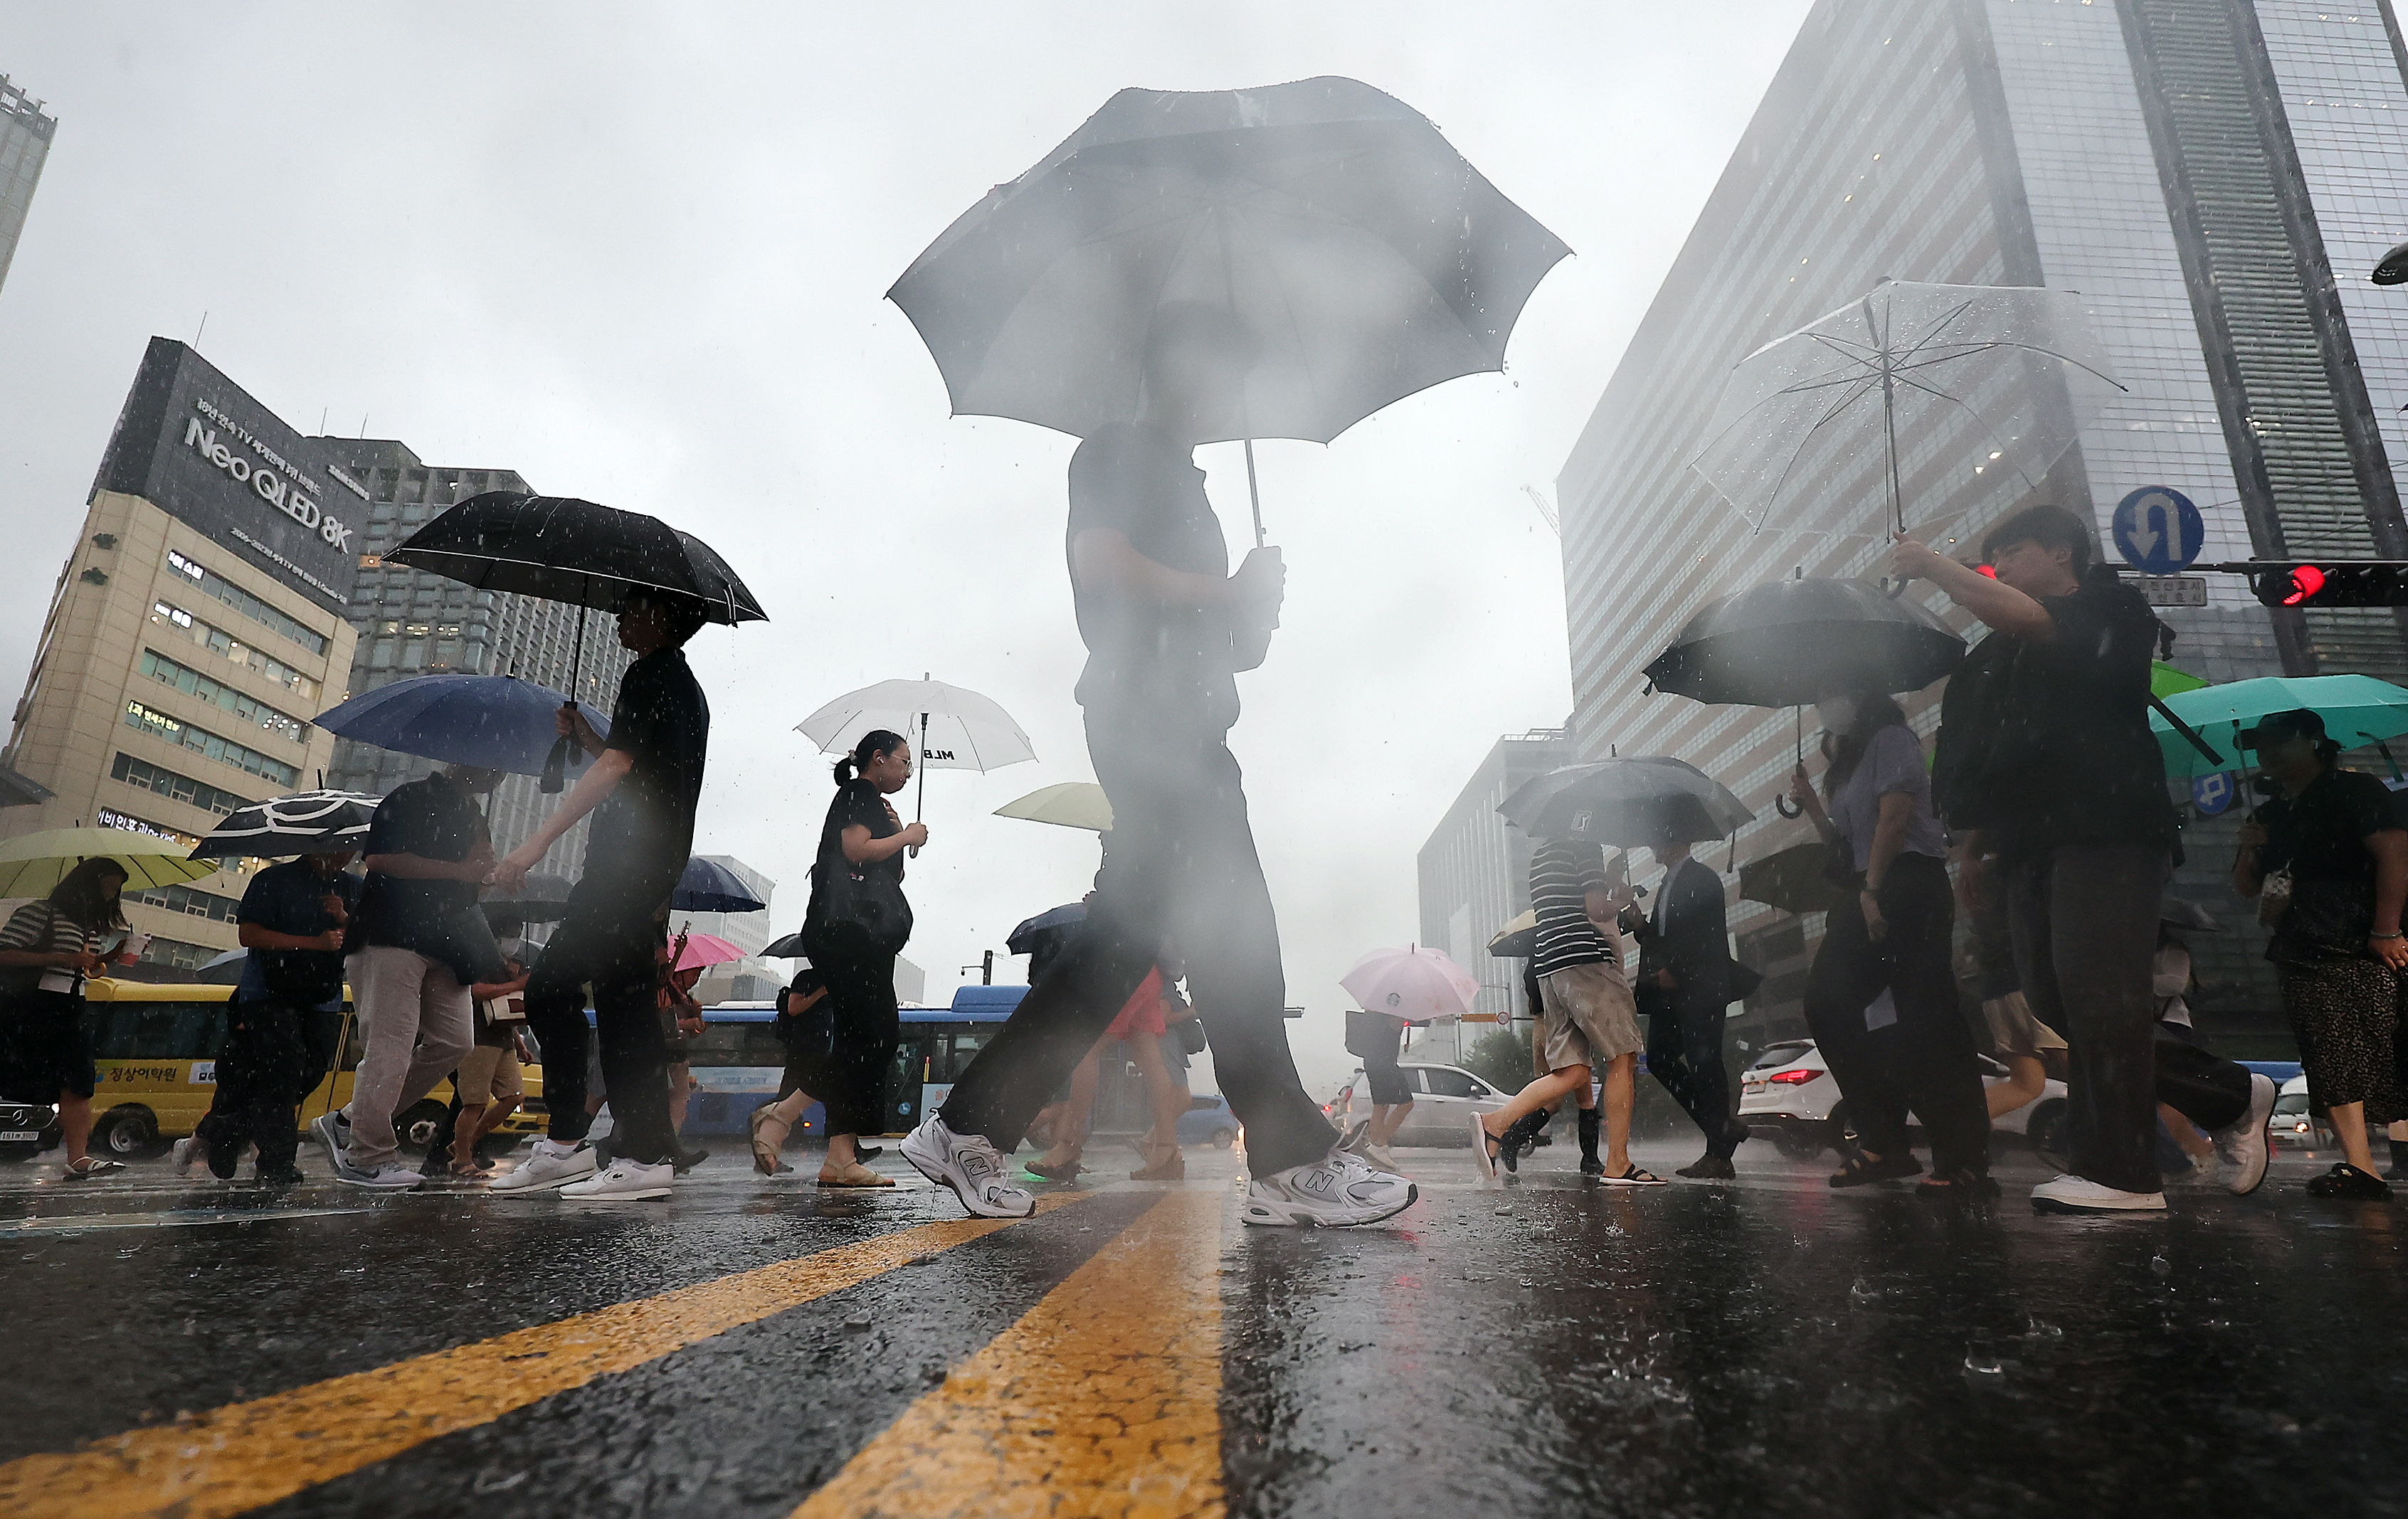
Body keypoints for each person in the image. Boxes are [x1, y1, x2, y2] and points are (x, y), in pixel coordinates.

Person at [902, 303, 1412, 1228]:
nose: (1230, 386)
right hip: (1148, 719)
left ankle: (968, 1127)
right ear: (1170, 364)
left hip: (1189, 718)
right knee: (1236, 928)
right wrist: (1225, 589)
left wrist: (1256, 605)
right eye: (1219, 362)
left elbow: (1234, 645)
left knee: (1123, 942)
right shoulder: (1116, 451)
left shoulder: (1193, 483)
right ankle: (1289, 1159)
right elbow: (1102, 564)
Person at [1899, 504, 2274, 1214]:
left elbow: (2032, 621)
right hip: (2026, 841)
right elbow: (1990, 752)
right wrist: (1975, 845)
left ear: (2061, 552)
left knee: (2099, 991)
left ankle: (2123, 1172)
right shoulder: (2001, 651)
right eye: (1994, 559)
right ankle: (2228, 1092)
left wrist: (1932, 567)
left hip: (2108, 825)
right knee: (2053, 997)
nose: (1999, 568)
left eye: (2010, 553)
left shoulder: (2113, 606)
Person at [492, 590, 712, 1201]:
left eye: (633, 607)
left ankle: (574, 1143)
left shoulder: (647, 675)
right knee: (625, 1010)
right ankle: (633, 1154)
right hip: (647, 872)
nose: (620, 616)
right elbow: (642, 767)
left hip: (621, 871)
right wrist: (590, 736)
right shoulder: (685, 687)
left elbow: (618, 768)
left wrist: (534, 845)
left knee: (552, 988)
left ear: (661, 617)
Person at [1787, 692, 1992, 1195]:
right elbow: (1844, 848)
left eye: (1828, 697)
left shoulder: (1893, 740)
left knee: (1928, 1021)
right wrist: (1813, 803)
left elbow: (1896, 820)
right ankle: (1885, 1139)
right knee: (1836, 1005)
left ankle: (1962, 1159)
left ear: (1859, 694)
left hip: (1906, 886)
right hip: (1868, 888)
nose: (1823, 710)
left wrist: (1875, 889)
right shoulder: (1852, 764)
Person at [2232, 707, 2408, 1200]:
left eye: (2278, 742)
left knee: (2388, 1046)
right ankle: (2360, 1166)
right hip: (2301, 943)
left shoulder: (2355, 791)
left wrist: (2387, 928)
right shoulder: (2267, 812)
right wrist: (2250, 848)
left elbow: (2395, 853)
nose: (2267, 754)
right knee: (2327, 1052)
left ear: (2313, 740)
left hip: (2362, 939)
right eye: (2260, 746)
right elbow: (2248, 888)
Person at [311, 763, 505, 1190]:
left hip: (448, 944)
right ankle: (368, 1154)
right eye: (491, 766)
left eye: (502, 769)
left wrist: (486, 874)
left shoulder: (475, 815)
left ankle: (348, 1121)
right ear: (460, 759)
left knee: (456, 1042)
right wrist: (460, 870)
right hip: (391, 933)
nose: (497, 775)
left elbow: (472, 884)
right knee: (390, 1045)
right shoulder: (410, 797)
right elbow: (380, 859)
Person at [1475, 836, 1655, 1185]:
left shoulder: (1543, 854)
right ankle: (1618, 1163)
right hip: (1585, 960)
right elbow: (1595, 909)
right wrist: (1621, 898)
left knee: (1571, 1072)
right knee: (1623, 1056)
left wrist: (1606, 878)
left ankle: (1495, 1124)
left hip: (1551, 969)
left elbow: (1568, 902)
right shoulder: (1585, 844)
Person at [783, 730, 920, 1190]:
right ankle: (782, 1114)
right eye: (904, 761)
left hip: (858, 934)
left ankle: (840, 1156)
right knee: (878, 1037)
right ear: (878, 759)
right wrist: (905, 833)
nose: (907, 771)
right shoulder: (860, 791)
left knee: (862, 1039)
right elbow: (855, 849)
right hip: (852, 934)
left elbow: (887, 870)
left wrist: (900, 835)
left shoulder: (871, 801)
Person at [184, 848, 360, 1183]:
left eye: (352, 845)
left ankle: (225, 1127)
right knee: (284, 1070)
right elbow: (250, 935)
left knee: (311, 1072)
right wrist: (312, 943)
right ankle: (276, 1160)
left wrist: (345, 919)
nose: (347, 852)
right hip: (269, 993)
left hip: (323, 996)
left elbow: (369, 938)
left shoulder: (352, 887)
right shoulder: (273, 880)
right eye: (340, 844)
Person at [0, 857, 137, 1178]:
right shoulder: (40, 913)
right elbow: (4, 952)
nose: (108, 897)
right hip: (33, 1005)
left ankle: (78, 1157)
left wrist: (111, 957)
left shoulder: (89, 926)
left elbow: (84, 966)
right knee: (16, 1078)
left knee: (78, 1082)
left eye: (114, 892)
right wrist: (64, 956)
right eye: (105, 888)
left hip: (72, 1004)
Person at [1632, 830, 1750, 1178]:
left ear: (1673, 841)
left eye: (1656, 839)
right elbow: (1664, 937)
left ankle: (1718, 1152)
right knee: (1659, 1059)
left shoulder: (1703, 878)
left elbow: (1705, 934)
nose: (1651, 844)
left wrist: (1678, 970)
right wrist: (1641, 926)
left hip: (1701, 988)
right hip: (1672, 993)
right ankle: (1722, 1127)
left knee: (1706, 1063)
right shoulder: (1669, 883)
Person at [448, 957, 530, 1179]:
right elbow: (477, 991)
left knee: (514, 1096)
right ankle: (462, 1159)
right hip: (478, 1039)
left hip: (503, 1039)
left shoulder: (509, 965)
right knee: (474, 1102)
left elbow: (501, 1009)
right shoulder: (480, 960)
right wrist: (515, 984)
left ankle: (464, 1144)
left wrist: (520, 1044)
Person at [1343, 1002, 1414, 1174]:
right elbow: (1397, 1024)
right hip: (1385, 1064)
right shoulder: (1391, 1012)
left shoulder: (1374, 1012)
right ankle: (1379, 1144)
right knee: (1406, 1103)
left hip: (1374, 1062)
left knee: (1381, 1106)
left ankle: (1378, 1147)